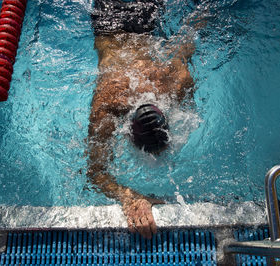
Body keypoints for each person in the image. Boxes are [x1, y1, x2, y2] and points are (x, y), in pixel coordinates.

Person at [86, 0, 196, 239]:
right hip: (110, 26)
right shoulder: (108, 101)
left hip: (143, 22)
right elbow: (94, 174)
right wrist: (130, 198)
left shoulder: (177, 80)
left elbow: (192, 31)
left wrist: (129, 196)